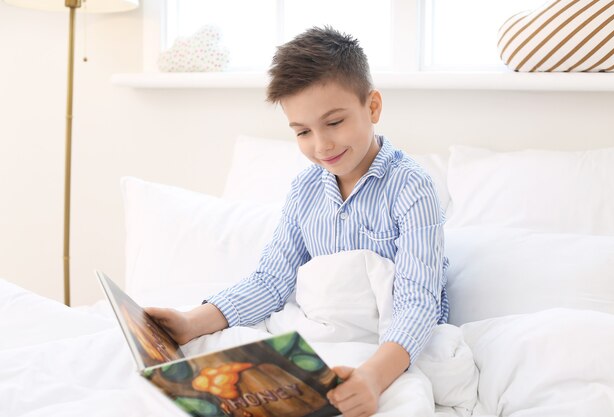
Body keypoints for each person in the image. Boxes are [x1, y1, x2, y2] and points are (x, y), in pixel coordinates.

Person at [146, 26, 448, 417]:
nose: (321, 145)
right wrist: (190, 322)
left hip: (386, 348)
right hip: (320, 333)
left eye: (334, 123)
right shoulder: (305, 191)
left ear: (372, 107)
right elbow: (272, 280)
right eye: (303, 131)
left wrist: (372, 378)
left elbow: (418, 302)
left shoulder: (412, 188)